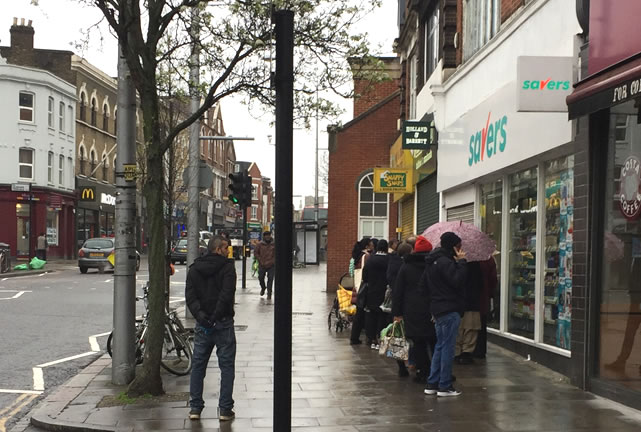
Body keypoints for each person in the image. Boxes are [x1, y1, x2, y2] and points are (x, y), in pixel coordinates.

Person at [185, 235, 237, 421]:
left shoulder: (194, 269)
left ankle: (195, 409)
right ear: (217, 249)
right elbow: (226, 294)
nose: (227, 251)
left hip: (202, 325)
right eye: (225, 248)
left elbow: (190, 297)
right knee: (227, 366)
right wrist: (215, 317)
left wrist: (202, 317)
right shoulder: (228, 268)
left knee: (198, 366)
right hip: (223, 323)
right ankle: (224, 410)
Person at [423, 232, 467, 397]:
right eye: (459, 246)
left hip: (437, 308)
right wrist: (462, 263)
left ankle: (432, 383)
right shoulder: (445, 262)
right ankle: (445, 385)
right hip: (449, 308)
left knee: (440, 346)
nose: (461, 249)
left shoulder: (432, 261)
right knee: (448, 347)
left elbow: (426, 286)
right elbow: (457, 281)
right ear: (453, 246)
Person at [393, 236, 435, 383]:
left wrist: (397, 312)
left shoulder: (406, 266)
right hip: (432, 308)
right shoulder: (433, 266)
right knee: (435, 341)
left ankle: (422, 371)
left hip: (412, 308)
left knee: (418, 342)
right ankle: (436, 371)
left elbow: (398, 291)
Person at [388, 241, 413, 377]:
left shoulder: (393, 263)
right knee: (406, 337)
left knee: (398, 337)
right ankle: (409, 363)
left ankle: (401, 366)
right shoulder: (405, 266)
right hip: (404, 305)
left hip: (397, 304)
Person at [363, 239, 389, 349]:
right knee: (382, 316)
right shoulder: (389, 260)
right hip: (385, 292)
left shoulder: (371, 260)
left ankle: (371, 338)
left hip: (372, 291)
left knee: (371, 315)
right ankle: (380, 337)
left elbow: (365, 277)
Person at [455, 261, 483, 364]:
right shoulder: (475, 264)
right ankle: (466, 352)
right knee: (471, 328)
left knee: (458, 329)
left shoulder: (453, 263)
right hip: (472, 301)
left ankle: (457, 352)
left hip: (457, 302)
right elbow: (480, 283)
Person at [474, 256, 498, 359]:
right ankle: (480, 350)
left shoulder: (466, 257)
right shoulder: (488, 259)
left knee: (468, 324)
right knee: (482, 324)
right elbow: (493, 279)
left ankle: (468, 349)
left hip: (469, 299)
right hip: (484, 297)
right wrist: (491, 293)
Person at [350, 238, 372, 345]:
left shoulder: (357, 255)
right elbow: (366, 271)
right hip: (363, 287)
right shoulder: (366, 256)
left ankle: (354, 337)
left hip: (357, 286)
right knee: (362, 313)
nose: (373, 246)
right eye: (371, 244)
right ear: (367, 246)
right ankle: (356, 338)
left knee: (359, 313)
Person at [254, 231, 275, 299]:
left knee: (270, 279)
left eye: (268, 235)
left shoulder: (274, 244)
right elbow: (256, 253)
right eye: (266, 235)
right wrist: (260, 260)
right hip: (262, 264)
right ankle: (263, 287)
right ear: (264, 236)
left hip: (271, 265)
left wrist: (273, 261)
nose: (267, 237)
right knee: (260, 277)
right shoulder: (260, 244)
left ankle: (269, 293)